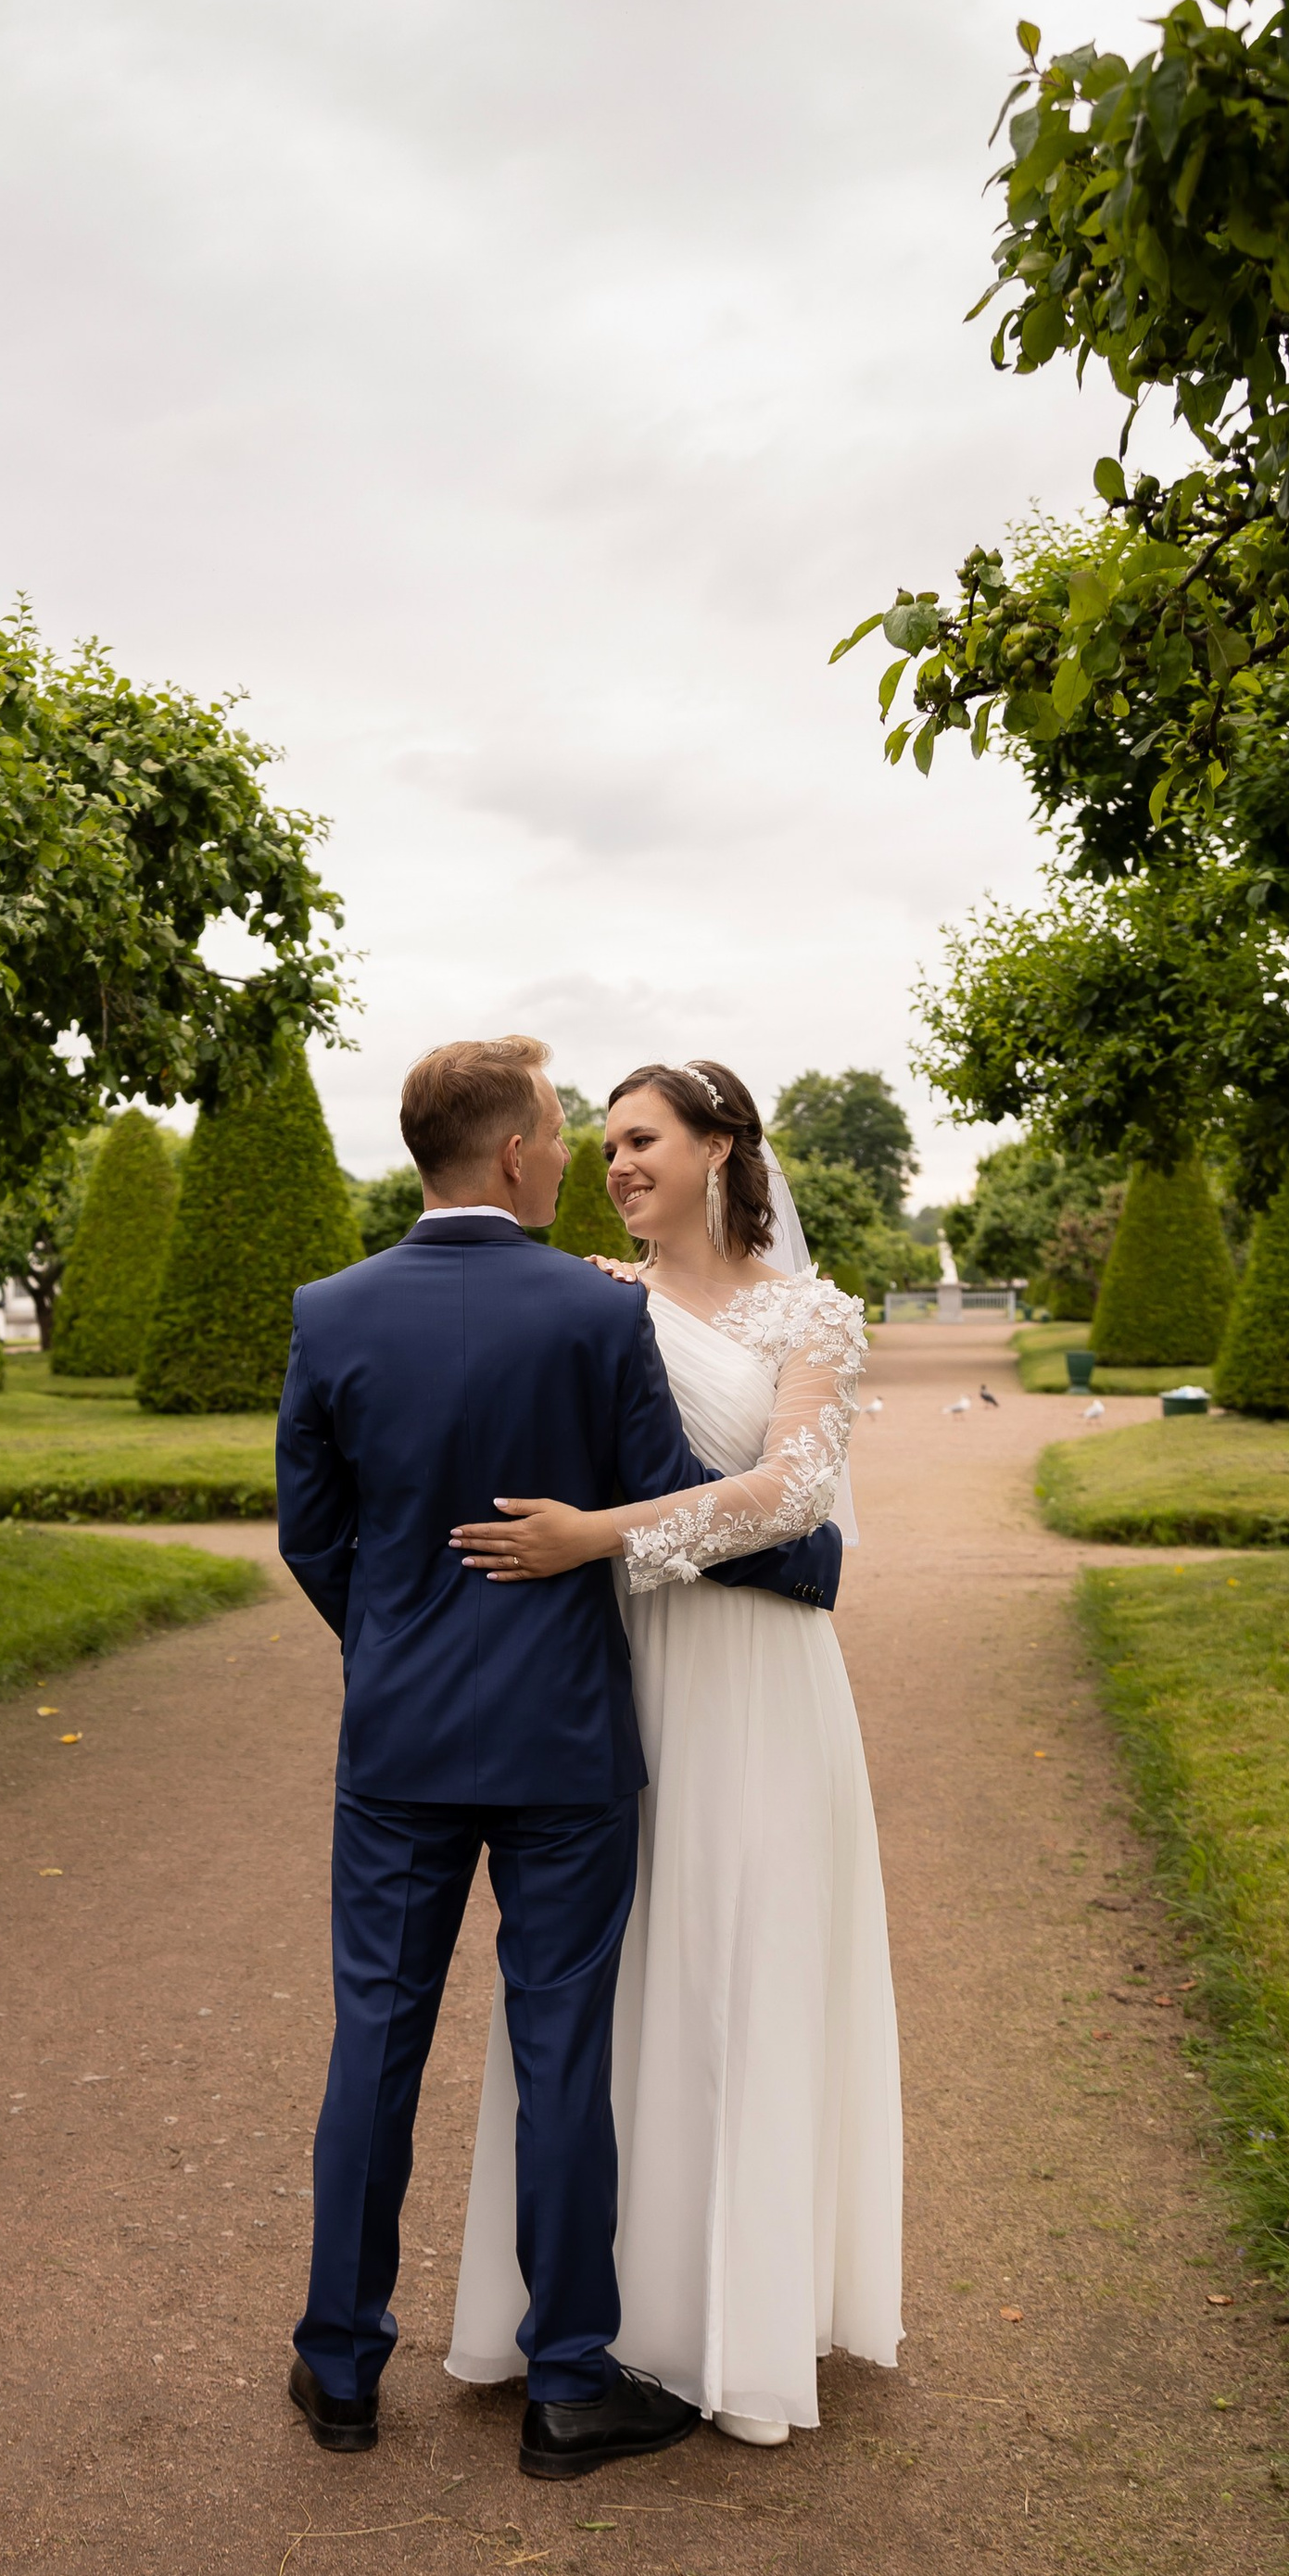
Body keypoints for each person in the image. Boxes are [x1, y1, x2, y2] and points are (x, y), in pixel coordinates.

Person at [274, 1035, 842, 2481]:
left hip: (399, 1742)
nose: (579, 1159)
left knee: (376, 2042)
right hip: (568, 1741)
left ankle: (340, 2369)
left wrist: (398, 1641)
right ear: (520, 1154)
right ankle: (570, 2388)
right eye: (560, 1132)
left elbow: (311, 1534)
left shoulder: (330, 1311)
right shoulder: (598, 1321)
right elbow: (658, 1502)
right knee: (564, 2046)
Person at [444, 1057, 902, 2445]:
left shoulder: (810, 1313)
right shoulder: (595, 1298)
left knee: (741, 1959)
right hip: (622, 1678)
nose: (621, 1164)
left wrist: (604, 1534)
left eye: (645, 1140)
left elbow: (793, 1493)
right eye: (611, 1146)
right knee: (610, 1977)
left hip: (757, 1683)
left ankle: (736, 2320)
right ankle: (602, 2314)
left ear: (719, 1148)